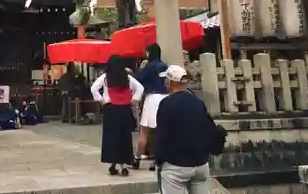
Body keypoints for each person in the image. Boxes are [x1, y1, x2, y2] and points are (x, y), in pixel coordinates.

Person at [155, 65, 226, 194]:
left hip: (175, 165)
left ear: (170, 82)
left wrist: (159, 160)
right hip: (200, 163)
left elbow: (162, 135)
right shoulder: (198, 103)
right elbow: (208, 128)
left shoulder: (166, 103)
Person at [91, 55, 144, 176]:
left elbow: (94, 88)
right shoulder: (127, 77)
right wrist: (134, 100)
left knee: (112, 138)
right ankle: (124, 166)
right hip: (124, 109)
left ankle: (113, 164)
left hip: (110, 110)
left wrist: (102, 100)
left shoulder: (105, 77)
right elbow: (140, 88)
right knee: (124, 137)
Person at [133, 43, 168, 170]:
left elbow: (139, 79)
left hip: (151, 98)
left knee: (144, 131)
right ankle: (157, 161)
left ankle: (136, 159)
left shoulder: (149, 67)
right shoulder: (165, 66)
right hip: (165, 97)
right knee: (161, 131)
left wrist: (141, 68)